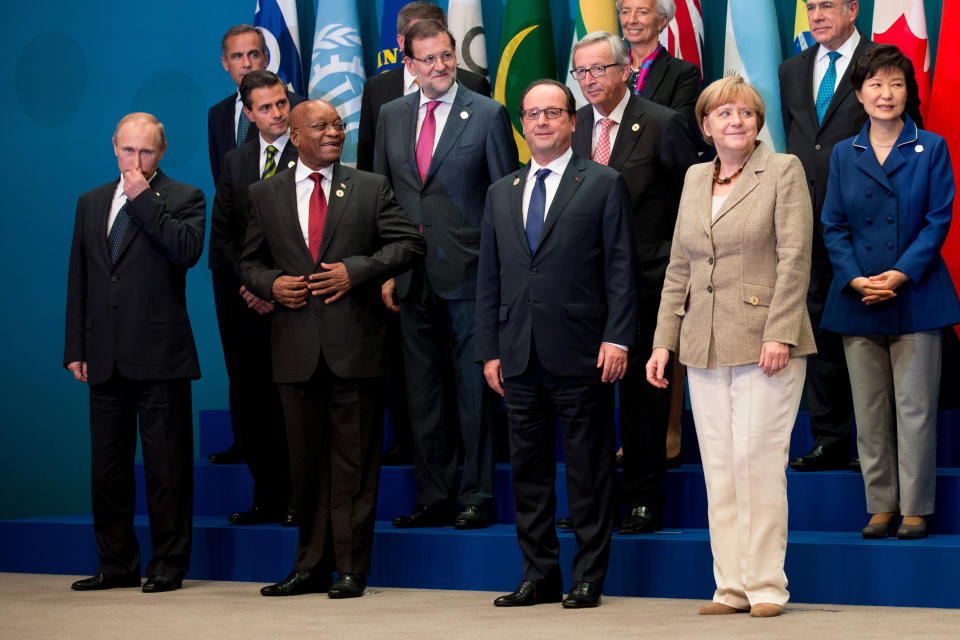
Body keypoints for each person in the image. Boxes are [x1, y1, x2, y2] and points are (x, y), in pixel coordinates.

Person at [241, 100, 425, 599]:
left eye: (338, 125)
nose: (333, 133)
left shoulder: (369, 186)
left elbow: (409, 243)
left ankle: (351, 567)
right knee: (304, 463)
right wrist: (272, 283)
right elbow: (247, 262)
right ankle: (310, 566)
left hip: (356, 349)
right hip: (295, 350)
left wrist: (357, 270)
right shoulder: (265, 193)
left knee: (354, 465)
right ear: (294, 136)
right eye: (320, 126)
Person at [646, 76, 815, 617]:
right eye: (723, 114)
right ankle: (731, 586)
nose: (735, 121)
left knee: (758, 463)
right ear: (705, 126)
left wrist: (779, 331)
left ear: (758, 122)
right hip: (703, 343)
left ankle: (766, 586)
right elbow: (679, 268)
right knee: (719, 466)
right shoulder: (696, 177)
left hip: (767, 342)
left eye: (745, 112)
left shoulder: (782, 170)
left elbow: (795, 258)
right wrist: (662, 344)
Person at [477, 79, 636, 609]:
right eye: (532, 114)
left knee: (589, 470)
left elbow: (620, 268)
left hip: (583, 351)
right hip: (518, 355)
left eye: (553, 112)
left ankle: (588, 575)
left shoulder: (603, 183)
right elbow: (490, 278)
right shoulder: (501, 191)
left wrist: (618, 337)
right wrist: (491, 350)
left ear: (572, 121)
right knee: (528, 472)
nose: (542, 121)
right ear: (522, 125)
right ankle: (538, 575)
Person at [375, 19, 518, 530]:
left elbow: (505, 200)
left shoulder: (486, 113)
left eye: (446, 56)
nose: (439, 67)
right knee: (423, 394)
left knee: (473, 392)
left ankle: (476, 495)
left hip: (472, 276)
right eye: (427, 59)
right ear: (408, 64)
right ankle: (432, 496)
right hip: (411, 278)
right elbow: (383, 198)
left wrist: (502, 278)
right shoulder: (391, 115)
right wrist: (387, 266)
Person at [820, 45, 960, 541]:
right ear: (858, 93)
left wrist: (900, 275)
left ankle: (916, 507)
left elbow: (938, 219)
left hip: (917, 295)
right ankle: (880, 504)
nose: (886, 93)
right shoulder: (843, 153)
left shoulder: (932, 147)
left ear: (908, 92)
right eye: (875, 84)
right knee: (870, 409)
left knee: (916, 408)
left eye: (896, 84)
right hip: (856, 297)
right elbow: (832, 225)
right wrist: (856, 278)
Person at [779, 0, 923, 472]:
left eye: (827, 5)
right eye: (811, 6)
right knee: (818, 327)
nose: (817, 14)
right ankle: (831, 439)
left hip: (873, 224)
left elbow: (911, 137)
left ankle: (878, 448)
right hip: (806, 217)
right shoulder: (791, 68)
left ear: (852, 9)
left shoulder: (885, 64)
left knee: (874, 331)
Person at [65, 113, 205, 593]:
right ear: (115, 147)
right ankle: (116, 563)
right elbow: (79, 278)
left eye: (146, 152)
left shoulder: (185, 197)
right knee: (107, 468)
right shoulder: (90, 202)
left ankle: (168, 564)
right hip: (103, 354)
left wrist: (144, 199)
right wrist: (75, 347)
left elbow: (185, 251)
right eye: (129, 151)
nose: (137, 161)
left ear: (161, 151)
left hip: (161, 355)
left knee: (167, 468)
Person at [569, 31, 698, 534]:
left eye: (600, 69)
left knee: (644, 401)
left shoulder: (664, 123)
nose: (591, 79)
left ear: (627, 70)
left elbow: (692, 200)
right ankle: (593, 505)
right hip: (581, 290)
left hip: (647, 285)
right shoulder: (572, 127)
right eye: (582, 72)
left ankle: (644, 499)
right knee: (586, 404)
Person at [209, 70, 298, 527]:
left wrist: (275, 287)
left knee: (293, 404)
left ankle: (298, 500)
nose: (277, 113)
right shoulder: (235, 161)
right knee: (254, 402)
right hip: (244, 302)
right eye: (265, 107)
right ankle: (266, 495)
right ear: (249, 114)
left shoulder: (308, 154)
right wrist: (251, 285)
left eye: (281, 103)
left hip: (295, 302)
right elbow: (222, 235)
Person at [356, 1, 491, 173]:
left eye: (436, 33)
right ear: (401, 41)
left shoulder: (473, 85)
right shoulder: (376, 88)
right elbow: (367, 162)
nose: (431, 41)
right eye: (420, 35)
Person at [207, 25, 305, 206]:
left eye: (253, 54)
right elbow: (221, 181)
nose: (246, 64)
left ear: (266, 58)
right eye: (237, 56)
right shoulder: (217, 114)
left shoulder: (298, 107)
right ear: (225, 63)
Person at [618, 0, 700, 128]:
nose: (631, 20)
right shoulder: (611, 68)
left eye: (642, 12)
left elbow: (676, 129)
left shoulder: (683, 73)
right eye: (626, 12)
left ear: (661, 21)